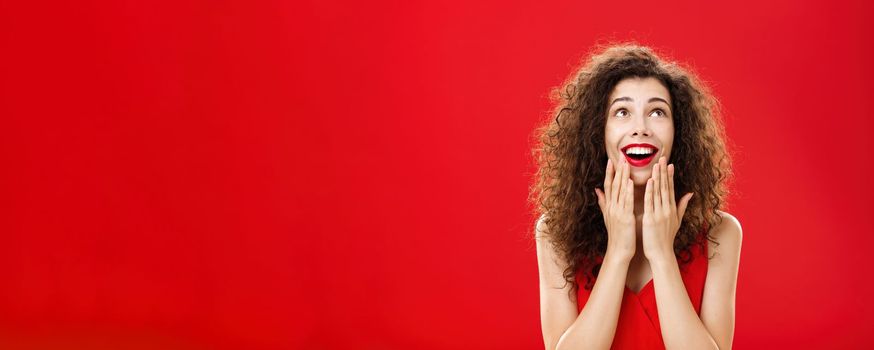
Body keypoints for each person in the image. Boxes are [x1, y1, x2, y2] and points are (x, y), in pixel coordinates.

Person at [529, 43, 742, 350]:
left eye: (657, 112)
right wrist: (618, 253)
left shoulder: (721, 233)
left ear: (678, 131)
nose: (640, 129)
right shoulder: (554, 232)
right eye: (622, 112)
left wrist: (661, 255)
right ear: (598, 131)